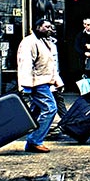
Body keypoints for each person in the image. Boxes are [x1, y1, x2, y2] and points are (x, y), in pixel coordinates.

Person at [17, 18, 63, 153]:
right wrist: (26, 86)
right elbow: (25, 65)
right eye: (46, 27)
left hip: (43, 81)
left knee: (36, 111)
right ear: (38, 27)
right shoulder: (29, 43)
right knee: (50, 109)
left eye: (50, 27)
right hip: (37, 83)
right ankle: (35, 140)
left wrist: (57, 82)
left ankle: (31, 141)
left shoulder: (44, 42)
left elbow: (50, 65)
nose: (50, 29)